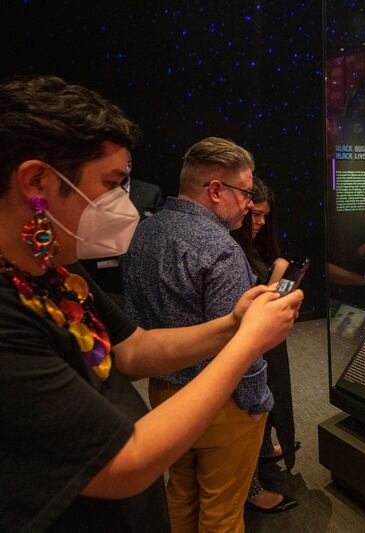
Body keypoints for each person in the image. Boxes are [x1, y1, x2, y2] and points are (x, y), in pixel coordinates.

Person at [0, 76, 302, 532]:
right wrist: (247, 341)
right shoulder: (9, 310)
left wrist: (233, 323)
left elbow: (134, 349)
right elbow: (124, 462)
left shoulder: (56, 267)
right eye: (110, 183)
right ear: (37, 181)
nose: (123, 202)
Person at [122, 137, 289, 532]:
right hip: (222, 403)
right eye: (246, 193)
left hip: (163, 395)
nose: (250, 204)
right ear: (216, 190)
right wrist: (257, 402)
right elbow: (242, 346)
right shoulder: (222, 249)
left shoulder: (143, 233)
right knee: (223, 511)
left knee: (180, 493)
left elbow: (134, 321)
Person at [231, 177, 299, 513]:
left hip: (264, 347)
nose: (259, 222)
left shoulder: (252, 245)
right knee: (250, 413)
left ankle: (261, 454)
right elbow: (249, 312)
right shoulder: (230, 250)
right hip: (247, 353)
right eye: (254, 214)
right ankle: (251, 487)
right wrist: (279, 275)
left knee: (270, 400)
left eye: (264, 217)